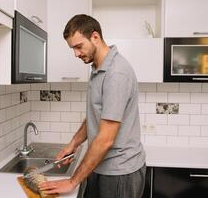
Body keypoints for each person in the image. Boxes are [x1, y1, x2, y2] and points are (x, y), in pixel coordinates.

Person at [39, 14, 146, 198]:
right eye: (72, 48)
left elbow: (105, 139)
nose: (76, 54)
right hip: (102, 165)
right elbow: (96, 116)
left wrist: (72, 181)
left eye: (79, 46)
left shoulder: (116, 74)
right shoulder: (98, 68)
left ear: (95, 37)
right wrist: (73, 144)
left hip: (119, 172)